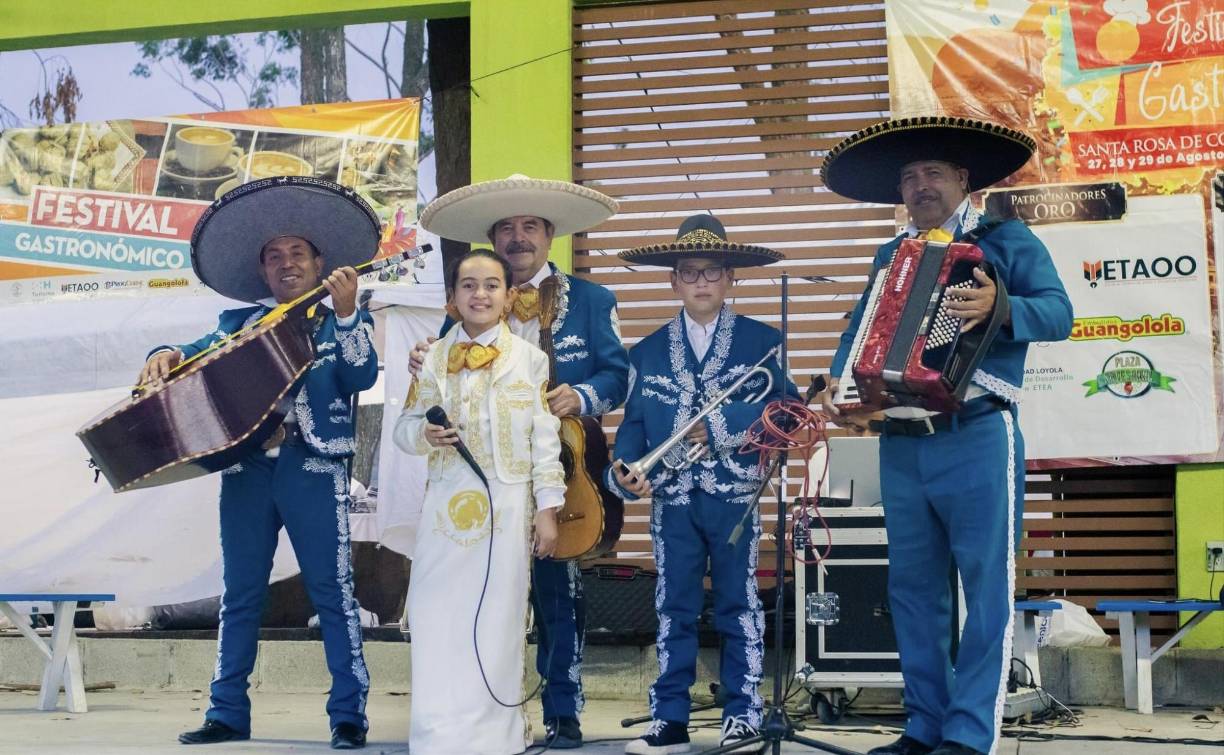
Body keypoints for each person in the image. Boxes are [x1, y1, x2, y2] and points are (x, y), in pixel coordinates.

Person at [818, 116, 1073, 755]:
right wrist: (839, 384)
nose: (920, 185)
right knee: (911, 590)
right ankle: (923, 725)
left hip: (978, 433)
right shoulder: (890, 255)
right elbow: (863, 335)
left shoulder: (1004, 239)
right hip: (902, 439)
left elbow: (1061, 314)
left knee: (985, 590)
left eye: (933, 172)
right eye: (909, 177)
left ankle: (966, 735)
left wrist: (1001, 308)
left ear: (963, 179)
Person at [152, 178, 383, 750]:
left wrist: (350, 315)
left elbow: (362, 376)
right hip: (247, 471)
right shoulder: (238, 325)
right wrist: (162, 353)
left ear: (320, 263)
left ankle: (349, 715)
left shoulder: (343, 319)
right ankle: (227, 711)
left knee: (332, 592)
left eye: (297, 254)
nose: (286, 264)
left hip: (315, 465)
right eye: (274, 257)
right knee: (241, 594)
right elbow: (192, 353)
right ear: (263, 271)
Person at [410, 174, 629, 748]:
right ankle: (479, 711)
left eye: (529, 225)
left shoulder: (594, 299)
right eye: (505, 228)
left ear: (550, 234)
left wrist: (580, 397)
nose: (518, 236)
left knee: (561, 592)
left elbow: (618, 376)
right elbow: (438, 385)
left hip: (564, 466)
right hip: (482, 481)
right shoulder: (462, 308)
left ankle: (563, 711)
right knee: (481, 598)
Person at [606, 214, 798, 755]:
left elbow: (787, 411)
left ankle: (744, 713)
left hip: (736, 497)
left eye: (711, 271)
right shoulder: (643, 352)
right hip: (672, 500)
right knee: (674, 607)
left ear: (730, 278)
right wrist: (624, 473)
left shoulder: (763, 341)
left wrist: (718, 427)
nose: (700, 283)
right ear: (673, 281)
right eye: (688, 273)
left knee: (739, 605)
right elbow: (634, 432)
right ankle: (670, 717)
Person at [393, 248, 566, 754]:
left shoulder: (531, 360)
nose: (480, 294)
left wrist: (548, 510)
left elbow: (545, 439)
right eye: (468, 285)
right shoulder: (431, 361)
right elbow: (402, 430)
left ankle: (495, 737)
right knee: (434, 612)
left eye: (491, 285)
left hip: (508, 508)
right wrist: (424, 433)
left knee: (498, 617)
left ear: (509, 296)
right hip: (445, 507)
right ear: (452, 298)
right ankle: (436, 734)